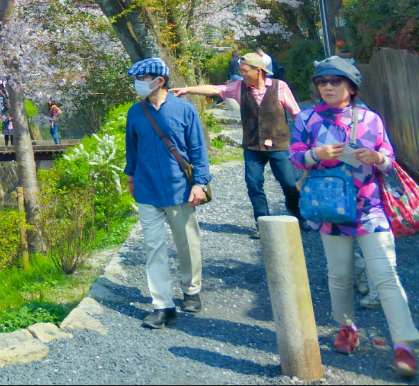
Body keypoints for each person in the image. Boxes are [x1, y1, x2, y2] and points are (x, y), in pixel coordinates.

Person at [288, 56, 418, 377]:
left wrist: (378, 158)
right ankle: (346, 327)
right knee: (340, 276)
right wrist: (313, 154)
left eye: (336, 81)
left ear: (351, 86)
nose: (328, 86)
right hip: (329, 209)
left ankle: (403, 345)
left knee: (386, 275)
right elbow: (293, 158)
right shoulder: (306, 119)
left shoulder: (371, 119)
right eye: (322, 81)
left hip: (369, 208)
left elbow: (389, 158)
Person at [123, 57, 209, 329]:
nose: (137, 85)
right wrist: (130, 177)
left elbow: (198, 150)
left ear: (159, 81)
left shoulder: (184, 110)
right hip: (147, 188)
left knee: (187, 242)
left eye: (142, 79)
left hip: (179, 188)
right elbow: (132, 149)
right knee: (153, 247)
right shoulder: (135, 113)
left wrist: (200, 183)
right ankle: (162, 304)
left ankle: (191, 288)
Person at [173, 50, 301, 229]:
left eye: (245, 71)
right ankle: (262, 222)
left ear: (258, 71)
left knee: (289, 183)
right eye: (240, 70)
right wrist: (187, 90)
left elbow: (296, 113)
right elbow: (215, 89)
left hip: (278, 145)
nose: (242, 74)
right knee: (254, 184)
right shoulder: (239, 87)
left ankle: (296, 212)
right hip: (252, 146)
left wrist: (303, 141)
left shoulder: (280, 87)